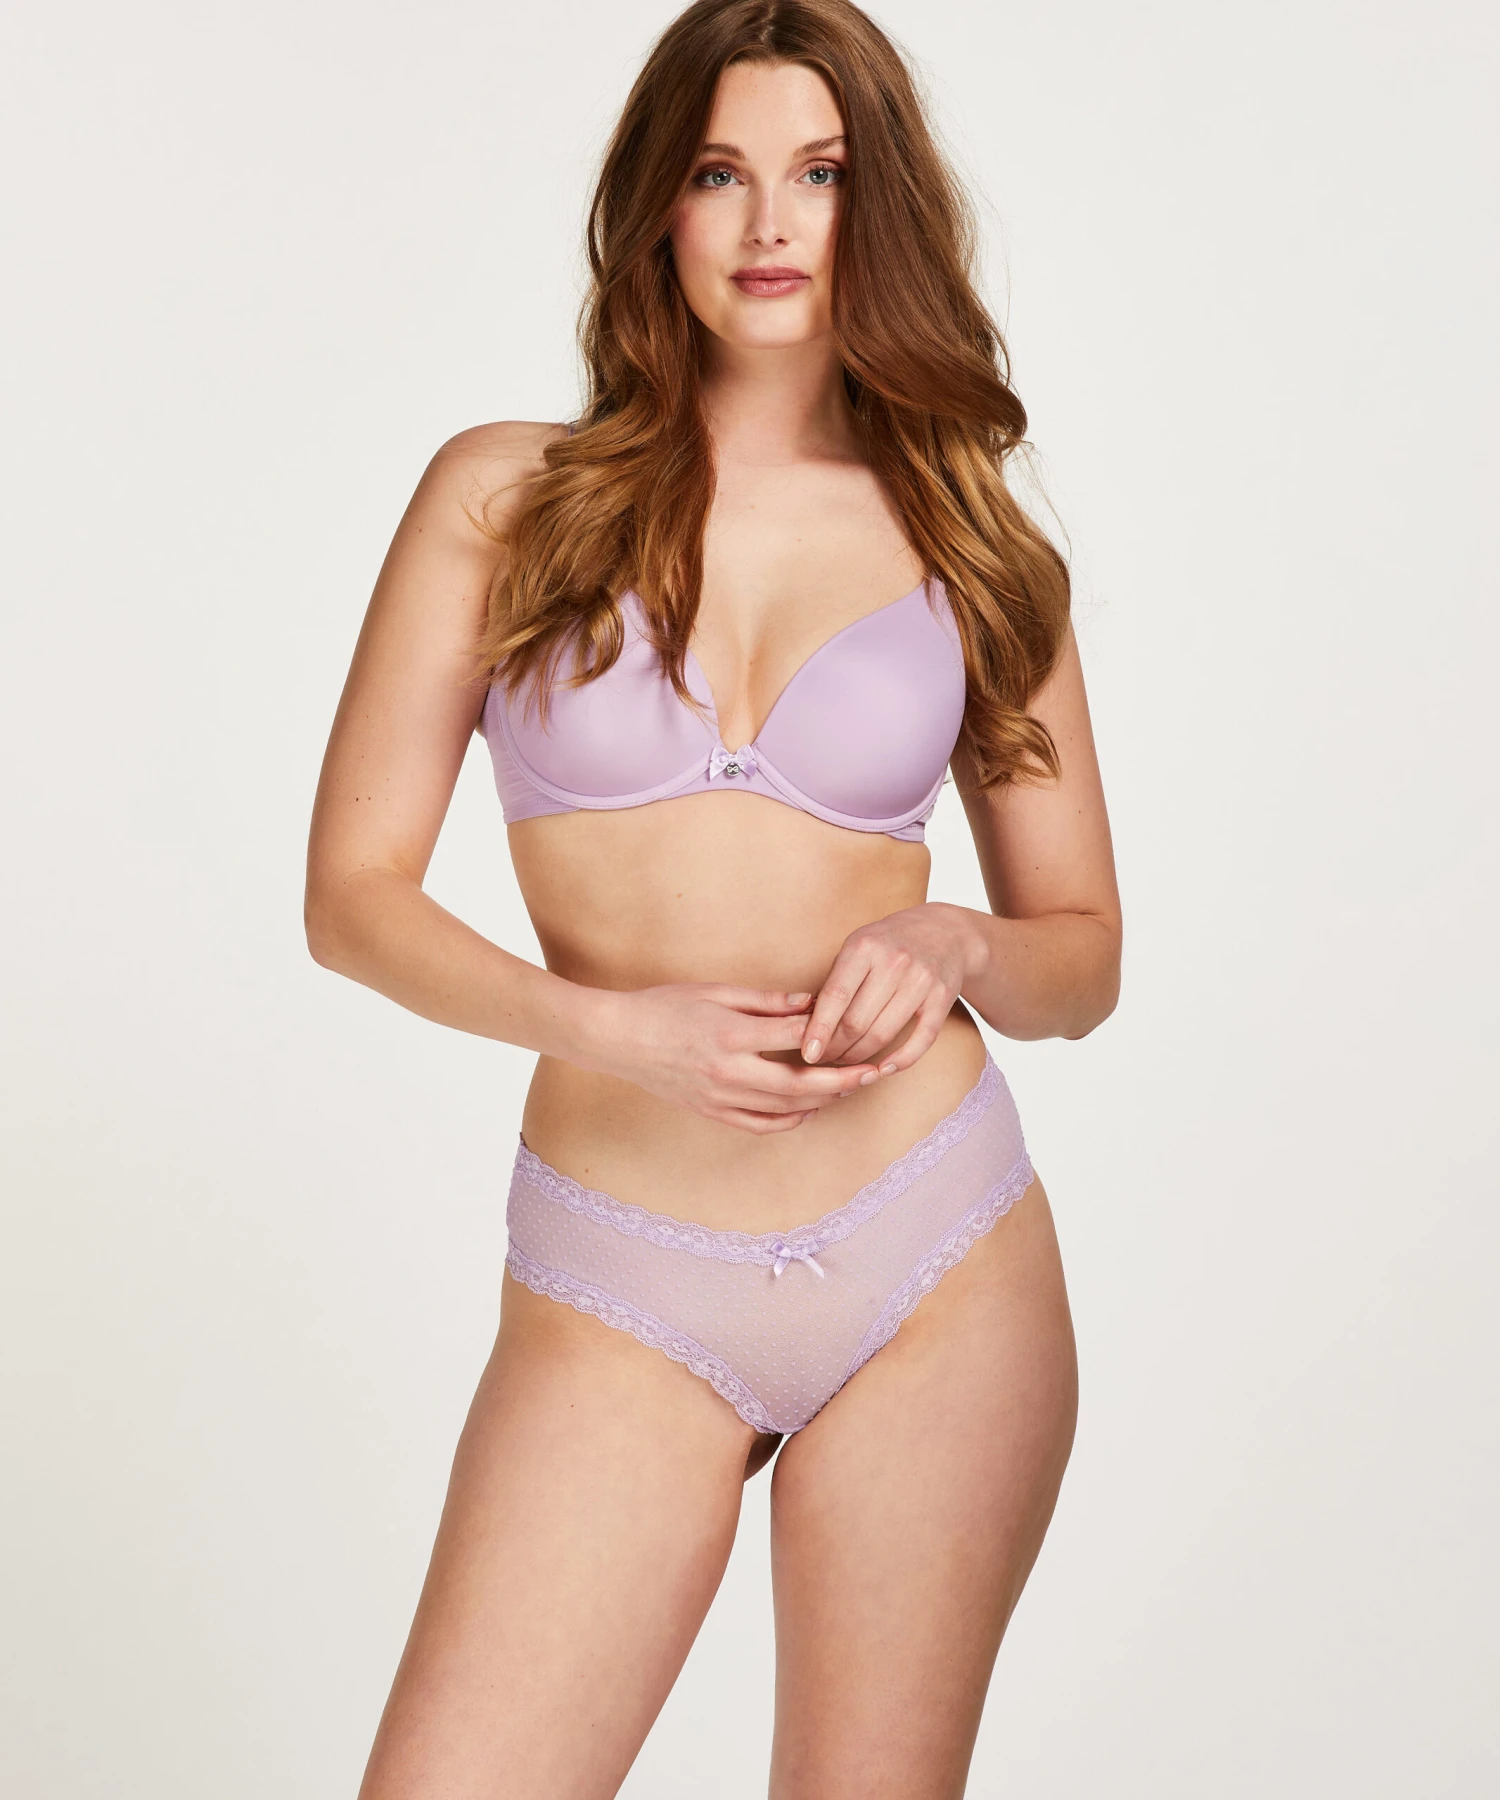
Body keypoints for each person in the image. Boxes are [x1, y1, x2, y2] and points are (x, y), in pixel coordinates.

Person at [306, 1, 1120, 1793]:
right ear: (657, 206)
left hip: (935, 1249)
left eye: (818, 176)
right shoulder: (505, 498)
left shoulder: (977, 542)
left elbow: (1082, 959)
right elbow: (351, 898)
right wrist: (613, 1030)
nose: (768, 225)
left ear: (876, 207)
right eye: (720, 174)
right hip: (627, 1266)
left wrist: (954, 939)